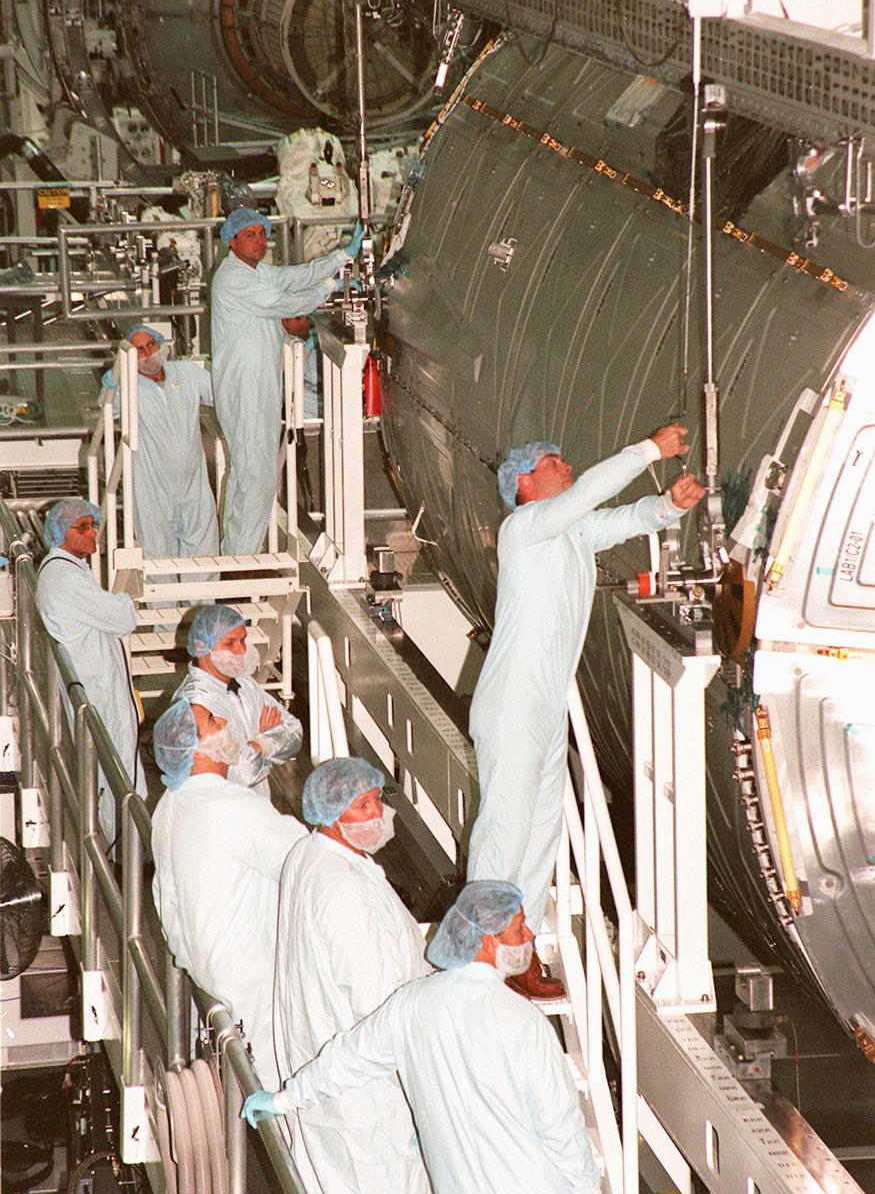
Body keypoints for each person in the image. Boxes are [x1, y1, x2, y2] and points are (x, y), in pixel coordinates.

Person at [467, 428, 706, 997]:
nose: (567, 464)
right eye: (554, 462)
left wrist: (667, 506)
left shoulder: (569, 533)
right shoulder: (524, 528)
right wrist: (648, 451)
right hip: (514, 702)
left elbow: (621, 519)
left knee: (542, 830)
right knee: (505, 830)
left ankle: (515, 954)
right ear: (524, 483)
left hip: (545, 704)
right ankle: (478, 952)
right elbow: (588, 496)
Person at [243, 881, 602, 1194]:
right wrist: (588, 1188)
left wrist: (286, 1099)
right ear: (487, 941)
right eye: (519, 928)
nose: (529, 937)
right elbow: (561, 1126)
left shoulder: (412, 1004)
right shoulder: (524, 1021)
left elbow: (348, 1058)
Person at [274, 756, 431, 1194]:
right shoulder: (342, 890)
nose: (377, 814)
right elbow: (377, 1006)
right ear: (331, 813)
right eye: (362, 805)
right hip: (369, 1098)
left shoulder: (315, 854)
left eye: (378, 799)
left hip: (339, 1083)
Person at [151, 697, 306, 1089]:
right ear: (198, 750)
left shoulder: (169, 806)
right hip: (253, 979)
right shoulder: (226, 805)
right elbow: (301, 858)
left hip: (211, 968)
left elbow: (163, 897)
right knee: (284, 1087)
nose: (224, 721)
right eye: (212, 720)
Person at [211, 207, 362, 554]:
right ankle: (241, 562)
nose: (260, 241)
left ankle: (235, 553)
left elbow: (294, 277)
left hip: (257, 383)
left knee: (248, 471)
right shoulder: (234, 279)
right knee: (257, 475)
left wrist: (341, 256)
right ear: (231, 241)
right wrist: (331, 286)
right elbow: (286, 301)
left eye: (263, 234)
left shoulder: (255, 272)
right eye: (250, 235)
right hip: (245, 385)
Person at [36, 498, 146, 842]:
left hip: (99, 686)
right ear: (59, 533)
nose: (91, 532)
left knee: (115, 774)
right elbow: (123, 618)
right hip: (98, 692)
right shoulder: (64, 577)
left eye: (93, 525)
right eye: (82, 527)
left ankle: (126, 851)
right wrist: (125, 601)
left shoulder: (69, 571)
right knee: (118, 777)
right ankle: (126, 856)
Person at [101, 325, 218, 561]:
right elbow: (106, 409)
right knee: (156, 555)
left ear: (160, 344)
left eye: (150, 346)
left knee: (202, 551)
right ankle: (162, 600)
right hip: (153, 487)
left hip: (193, 483)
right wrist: (111, 384)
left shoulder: (186, 372)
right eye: (139, 351)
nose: (147, 355)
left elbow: (221, 394)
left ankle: (201, 599)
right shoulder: (128, 385)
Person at [174, 604, 302, 796]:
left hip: (258, 804)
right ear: (201, 646)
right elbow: (242, 772)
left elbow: (294, 732)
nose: (241, 650)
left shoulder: (244, 683)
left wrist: (256, 746)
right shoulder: (195, 703)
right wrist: (265, 742)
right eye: (229, 643)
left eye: (243, 640)